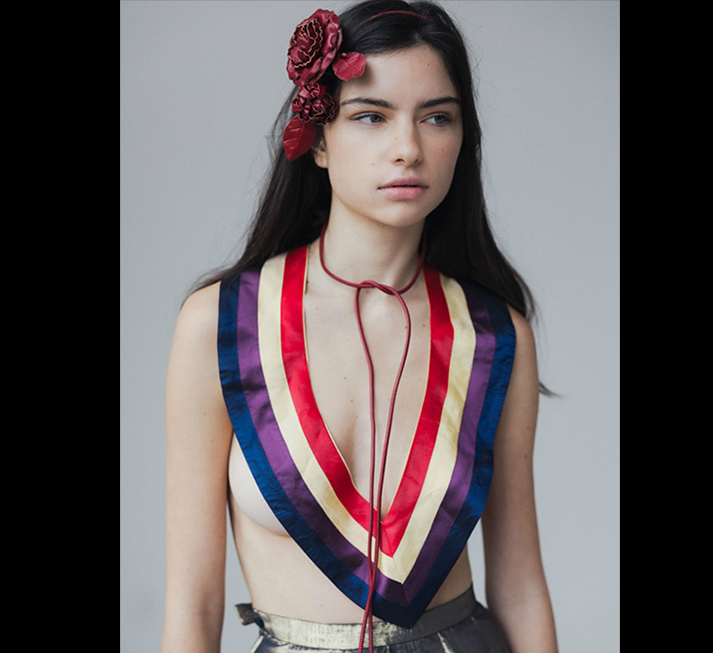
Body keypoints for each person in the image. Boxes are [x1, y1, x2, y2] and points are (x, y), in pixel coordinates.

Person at [162, 2, 557, 651]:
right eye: (370, 116)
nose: (408, 147)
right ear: (317, 138)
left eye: (436, 117)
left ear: (462, 138)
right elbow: (192, 604)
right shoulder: (220, 325)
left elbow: (520, 585)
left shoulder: (492, 336)